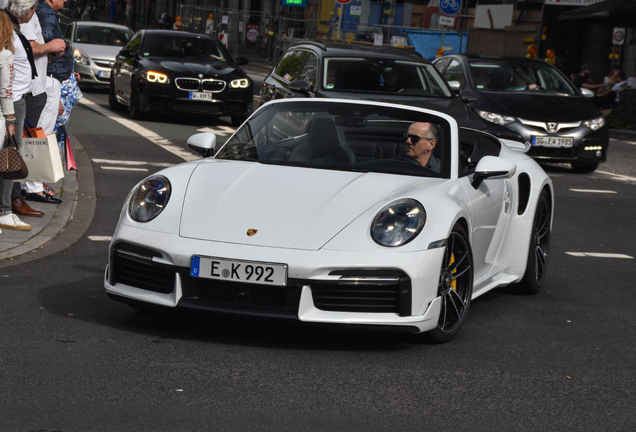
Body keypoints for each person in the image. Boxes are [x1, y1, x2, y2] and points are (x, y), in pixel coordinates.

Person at [0, 0, 39, 232]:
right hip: (11, 104)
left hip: (16, 100)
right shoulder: (7, 50)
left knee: (7, 158)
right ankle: (5, 210)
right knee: (8, 159)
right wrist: (11, 120)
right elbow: (6, 89)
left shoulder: (14, 36)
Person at [36, 0, 82, 185]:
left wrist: (69, 72)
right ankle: (38, 183)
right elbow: (47, 43)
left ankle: (39, 182)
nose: (65, 1)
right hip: (52, 80)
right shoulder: (46, 14)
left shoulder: (45, 12)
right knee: (46, 133)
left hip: (55, 78)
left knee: (48, 132)